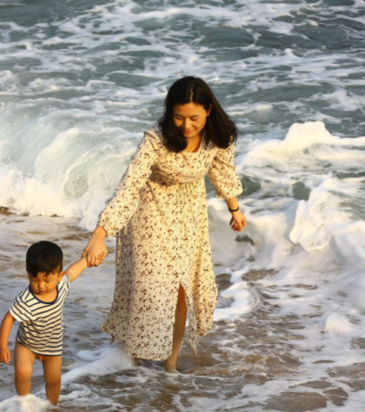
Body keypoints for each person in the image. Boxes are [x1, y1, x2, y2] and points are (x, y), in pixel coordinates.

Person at [82, 76, 247, 372]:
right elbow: (129, 185)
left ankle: (170, 363)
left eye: (194, 118)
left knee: (183, 288)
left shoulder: (219, 136)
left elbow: (222, 170)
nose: (186, 125)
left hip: (189, 214)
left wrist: (234, 208)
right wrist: (100, 233)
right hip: (149, 212)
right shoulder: (156, 140)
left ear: (209, 110)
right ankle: (130, 358)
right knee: (150, 286)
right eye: (179, 117)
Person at [0, 241, 89, 406]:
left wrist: (87, 260)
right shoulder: (26, 299)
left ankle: (52, 407)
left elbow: (72, 273)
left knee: (54, 380)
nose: (41, 286)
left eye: (47, 280)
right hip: (27, 344)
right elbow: (9, 318)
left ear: (59, 276)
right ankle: (24, 404)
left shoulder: (61, 287)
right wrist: (2, 346)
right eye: (34, 280)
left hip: (52, 346)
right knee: (22, 373)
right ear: (28, 274)